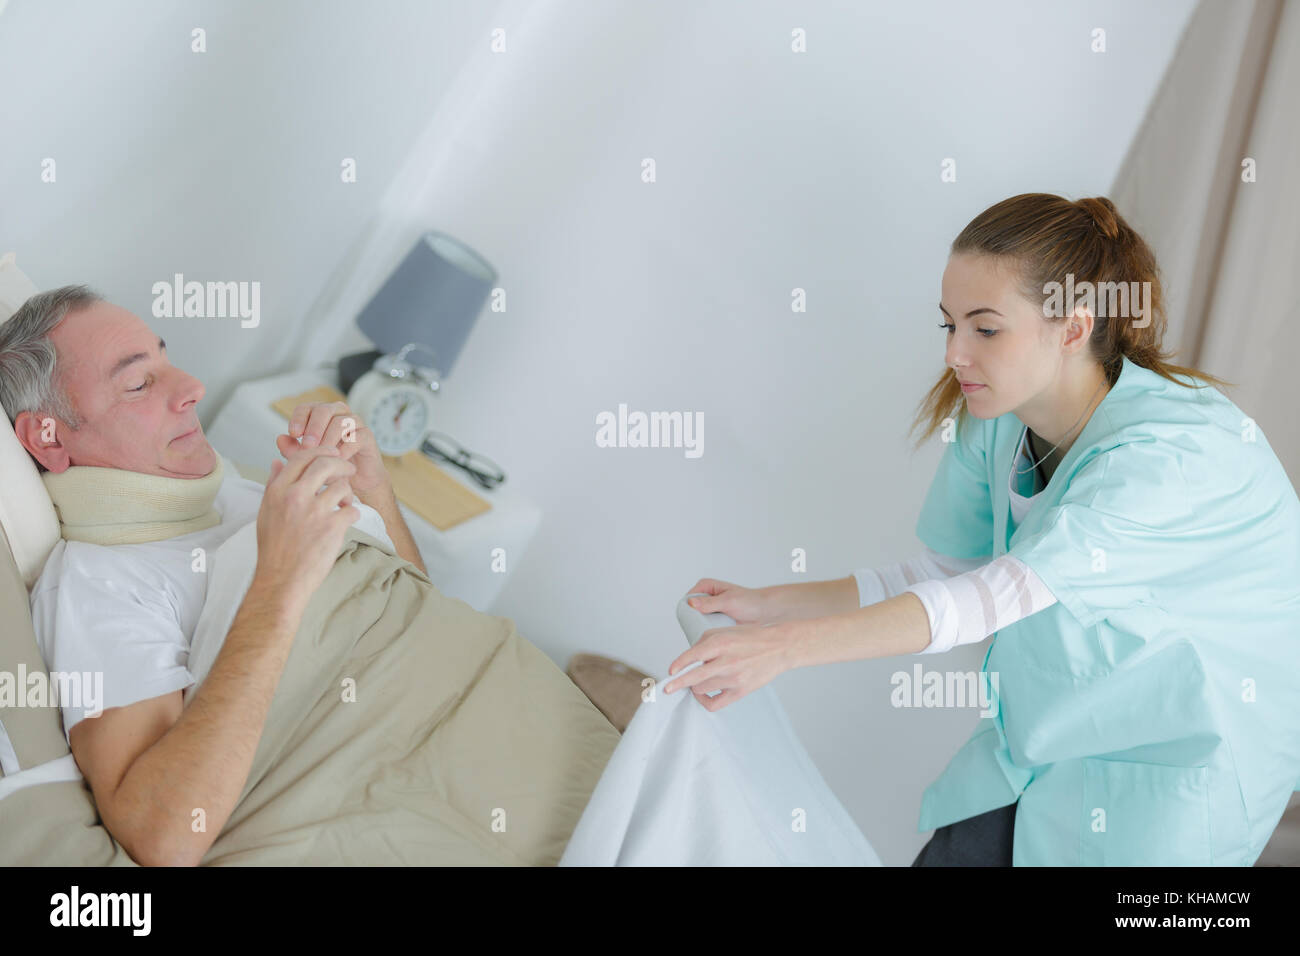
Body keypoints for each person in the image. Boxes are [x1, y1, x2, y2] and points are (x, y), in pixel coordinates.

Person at [664, 193, 1300, 866]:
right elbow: (946, 575)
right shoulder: (998, 420)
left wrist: (786, 650)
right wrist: (764, 606)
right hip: (1049, 743)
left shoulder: (1174, 455)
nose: (954, 354)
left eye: (985, 329)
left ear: (1073, 329)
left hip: (1179, 774)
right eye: (949, 326)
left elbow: (992, 598)